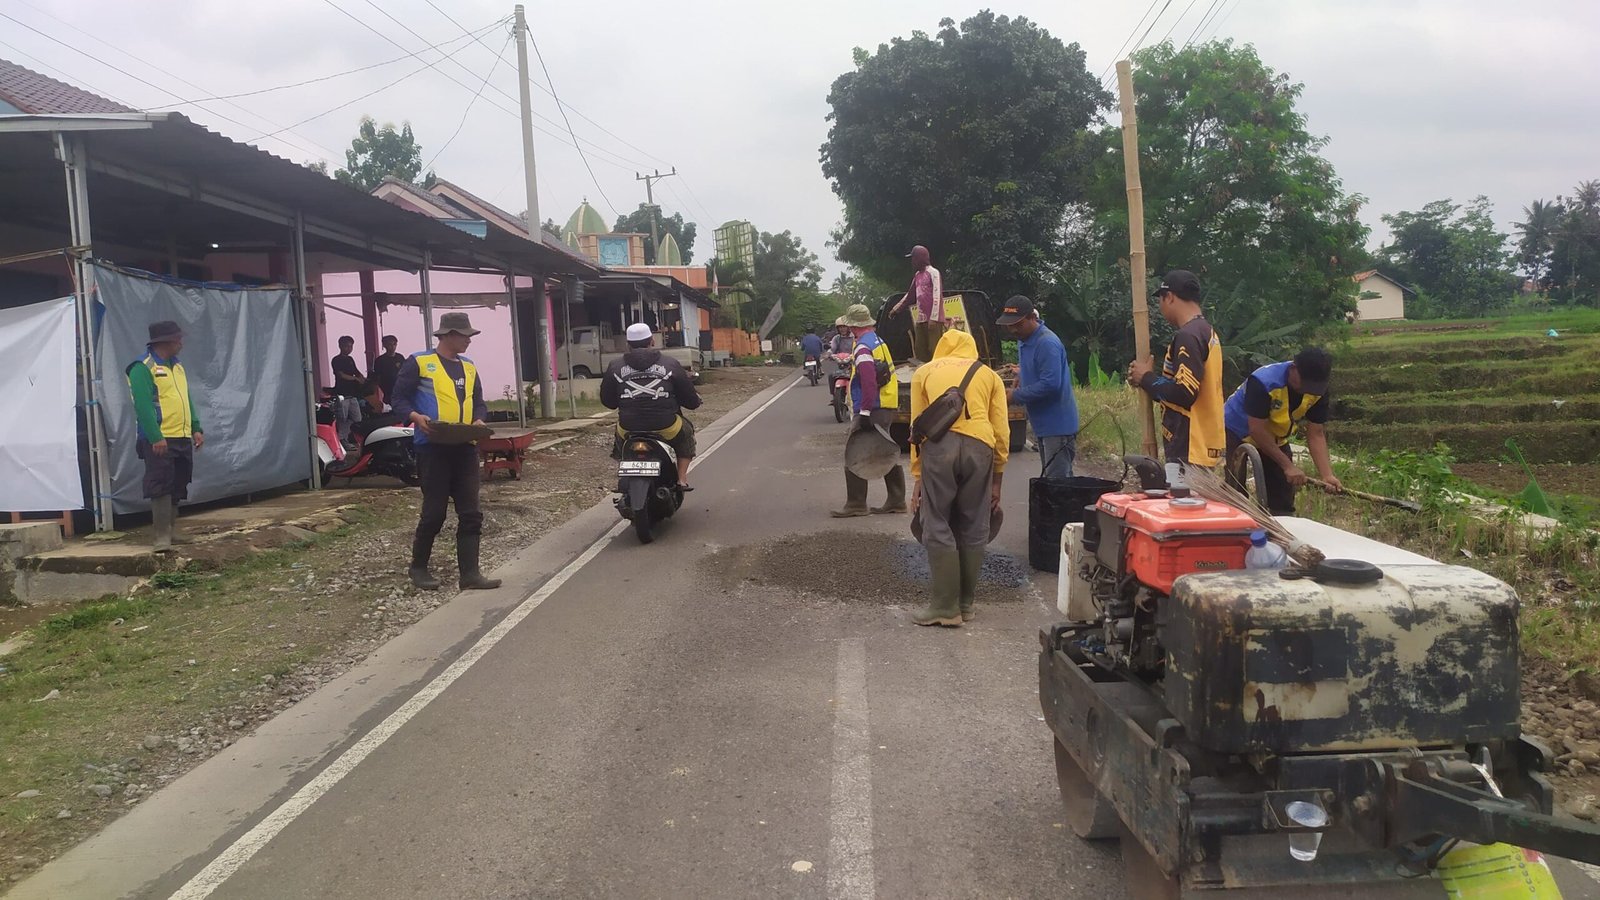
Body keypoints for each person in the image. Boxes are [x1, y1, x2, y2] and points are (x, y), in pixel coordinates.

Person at [390, 313, 500, 592]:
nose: (469, 340)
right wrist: (415, 417)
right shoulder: (419, 362)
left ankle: (470, 574)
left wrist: (478, 419)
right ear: (448, 335)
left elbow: (479, 402)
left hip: (464, 447)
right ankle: (418, 568)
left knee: (471, 512)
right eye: (465, 336)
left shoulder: (469, 367)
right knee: (434, 513)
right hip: (433, 448)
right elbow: (398, 399)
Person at [908, 330, 1010, 626]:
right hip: (981, 446)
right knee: (975, 521)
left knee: (936, 519)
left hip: (939, 449)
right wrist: (998, 478)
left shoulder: (924, 372)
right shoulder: (988, 374)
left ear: (941, 348)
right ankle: (965, 605)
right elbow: (1001, 428)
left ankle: (944, 607)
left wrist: (917, 477)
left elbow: (917, 429)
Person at [1128, 270, 1226, 492]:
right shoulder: (1206, 332)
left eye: (1161, 300)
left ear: (1169, 297)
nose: (1161, 308)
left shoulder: (1188, 335)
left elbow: (1184, 393)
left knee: (1185, 515)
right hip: (1202, 442)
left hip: (1189, 446)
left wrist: (1146, 378)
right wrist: (1151, 383)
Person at [1223, 347, 1344, 515]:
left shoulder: (1318, 389)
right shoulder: (1264, 382)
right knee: (1236, 490)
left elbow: (1316, 433)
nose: (1308, 391)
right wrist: (1287, 465)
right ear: (1293, 368)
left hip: (1275, 434)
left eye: (1313, 388)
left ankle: (1280, 525)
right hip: (1239, 429)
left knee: (1282, 491)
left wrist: (1327, 475)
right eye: (1305, 384)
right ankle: (1237, 523)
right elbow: (1257, 430)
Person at [125, 320, 204, 553]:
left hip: (180, 434)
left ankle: (172, 530)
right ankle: (161, 535)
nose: (181, 343)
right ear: (166, 341)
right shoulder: (142, 368)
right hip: (160, 438)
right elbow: (143, 405)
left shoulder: (177, 367)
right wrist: (155, 436)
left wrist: (195, 427)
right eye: (178, 339)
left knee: (178, 482)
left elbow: (185, 398)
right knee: (160, 484)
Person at [600, 323, 703, 489]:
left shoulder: (615, 366)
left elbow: (608, 402)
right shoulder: (670, 364)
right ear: (652, 341)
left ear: (628, 344)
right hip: (666, 427)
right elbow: (690, 400)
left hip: (629, 428)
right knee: (686, 431)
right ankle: (681, 479)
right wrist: (695, 401)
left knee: (619, 437)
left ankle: (624, 470)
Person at [831, 304, 906, 517]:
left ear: (853, 325)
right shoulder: (877, 341)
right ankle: (896, 500)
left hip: (872, 406)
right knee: (885, 449)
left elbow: (868, 381)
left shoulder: (863, 347)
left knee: (854, 452)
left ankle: (856, 504)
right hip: (885, 403)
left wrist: (863, 412)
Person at [997, 296, 1080, 478]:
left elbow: (1050, 384)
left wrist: (1014, 396)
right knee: (1051, 480)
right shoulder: (1025, 340)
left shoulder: (1047, 343)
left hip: (1057, 426)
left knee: (1057, 483)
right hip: (1042, 424)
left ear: (1031, 318)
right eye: (1010, 325)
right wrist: (1022, 375)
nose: (1013, 329)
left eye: (1018, 324)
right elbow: (1034, 366)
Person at [891, 244, 946, 362]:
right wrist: (896, 309)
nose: (912, 261)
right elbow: (910, 295)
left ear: (920, 258)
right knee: (920, 349)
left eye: (914, 258)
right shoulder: (917, 276)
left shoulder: (933, 273)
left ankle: (938, 373)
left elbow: (937, 295)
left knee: (934, 348)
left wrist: (934, 318)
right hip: (921, 318)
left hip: (933, 320)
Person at [330, 335, 366, 445]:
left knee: (357, 418)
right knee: (342, 419)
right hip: (342, 395)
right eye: (346, 346)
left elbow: (356, 371)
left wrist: (362, 378)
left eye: (351, 346)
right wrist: (355, 378)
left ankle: (348, 437)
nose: (349, 348)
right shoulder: (336, 360)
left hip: (352, 394)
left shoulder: (350, 359)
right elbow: (341, 375)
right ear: (340, 346)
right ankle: (342, 441)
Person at [369, 334, 405, 410]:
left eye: (394, 344)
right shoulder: (380, 360)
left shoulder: (400, 357)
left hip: (401, 389)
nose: (392, 347)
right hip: (388, 390)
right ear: (384, 345)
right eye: (389, 344)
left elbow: (405, 372)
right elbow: (377, 377)